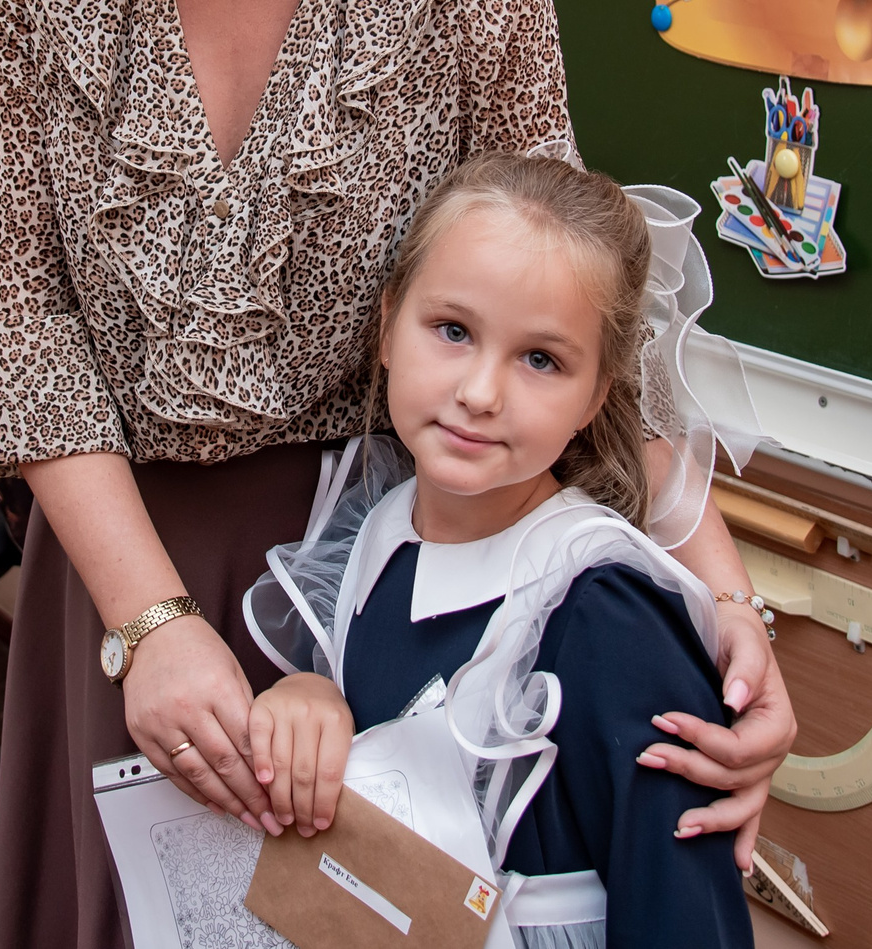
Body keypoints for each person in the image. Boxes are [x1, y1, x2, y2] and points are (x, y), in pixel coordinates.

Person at [0, 0, 791, 949]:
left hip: (397, 571)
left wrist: (728, 612)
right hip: (117, 565)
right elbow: (23, 298)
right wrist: (151, 628)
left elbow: (576, 284)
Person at [242, 153, 753, 948]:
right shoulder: (376, 531)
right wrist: (312, 700)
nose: (481, 392)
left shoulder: (605, 613)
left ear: (595, 393)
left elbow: (684, 913)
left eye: (540, 359)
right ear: (386, 328)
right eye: (453, 330)